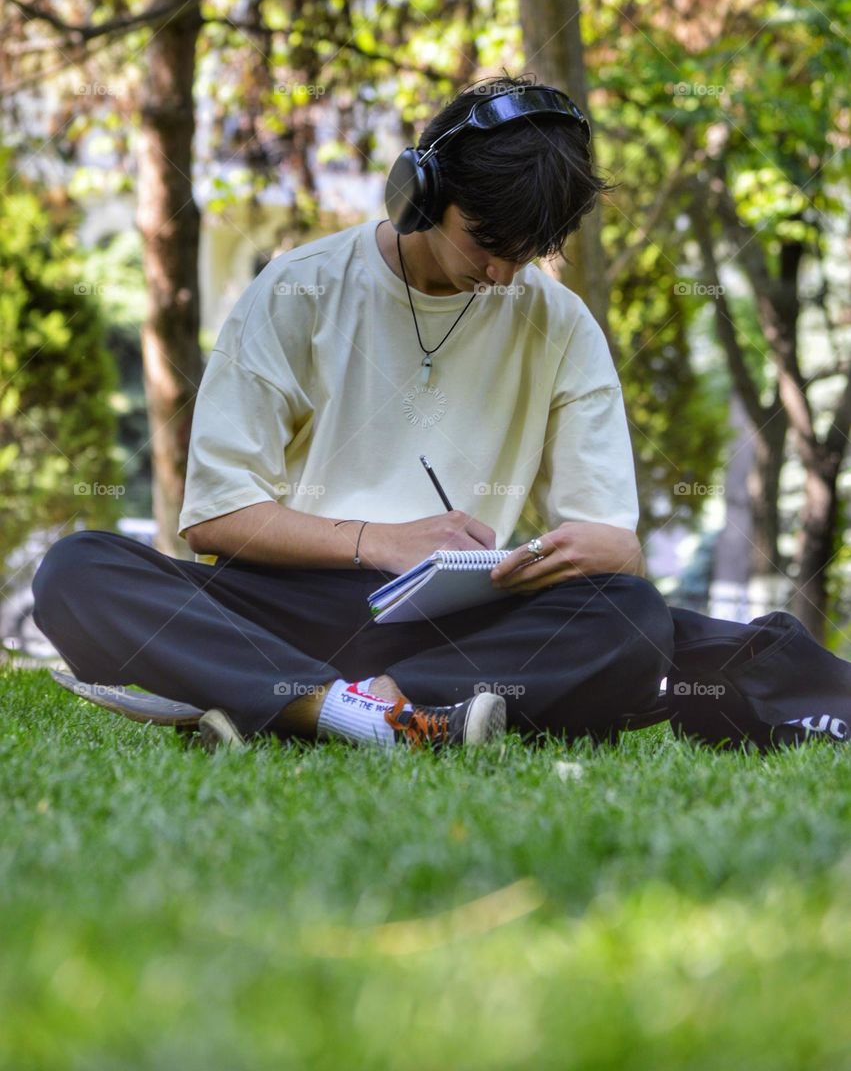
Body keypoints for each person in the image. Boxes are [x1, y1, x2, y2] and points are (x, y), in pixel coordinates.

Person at [30, 75, 846, 755]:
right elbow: (213, 517)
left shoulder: (559, 325)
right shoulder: (298, 288)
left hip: (459, 623)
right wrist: (379, 543)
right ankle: (356, 710)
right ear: (420, 192)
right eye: (483, 242)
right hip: (288, 603)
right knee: (77, 571)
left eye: (525, 254)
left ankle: (333, 707)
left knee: (629, 621)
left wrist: (609, 548)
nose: (499, 272)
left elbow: (610, 543)